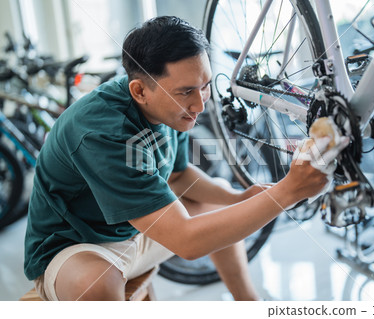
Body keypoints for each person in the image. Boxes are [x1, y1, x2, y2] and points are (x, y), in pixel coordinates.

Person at [24, 16, 347, 301]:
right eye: (186, 92)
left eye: (205, 86)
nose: (200, 105)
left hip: (136, 230)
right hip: (78, 246)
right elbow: (187, 243)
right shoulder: (101, 131)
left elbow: (177, 176)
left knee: (221, 201)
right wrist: (287, 191)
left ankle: (248, 303)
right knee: (93, 285)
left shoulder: (165, 107)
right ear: (139, 91)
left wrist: (236, 198)